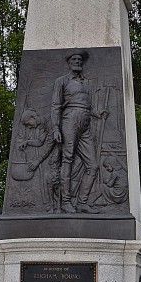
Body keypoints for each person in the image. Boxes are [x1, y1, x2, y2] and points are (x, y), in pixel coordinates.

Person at [51, 50, 107, 213]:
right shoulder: (61, 81)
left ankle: (82, 202)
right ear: (69, 62)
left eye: (80, 59)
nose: (77, 61)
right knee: (67, 159)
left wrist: (97, 113)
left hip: (85, 123)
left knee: (93, 165)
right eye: (74, 59)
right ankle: (66, 201)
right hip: (69, 120)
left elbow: (86, 104)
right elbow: (55, 105)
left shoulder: (86, 82)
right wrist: (56, 128)